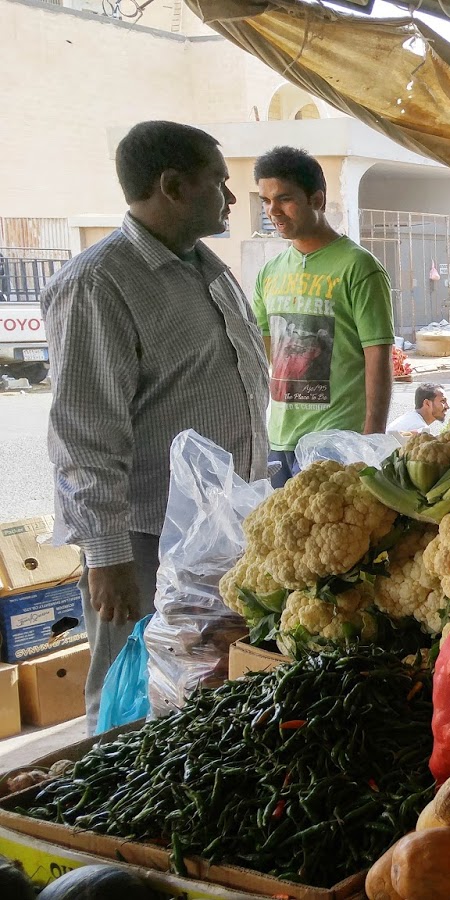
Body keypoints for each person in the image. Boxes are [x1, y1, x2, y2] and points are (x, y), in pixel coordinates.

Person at [42, 121, 271, 730]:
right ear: (172, 186)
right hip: (144, 538)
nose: (229, 198)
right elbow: (85, 433)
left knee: (198, 685)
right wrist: (107, 554)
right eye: (220, 184)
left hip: (219, 530)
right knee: (128, 694)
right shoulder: (100, 282)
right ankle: (98, 822)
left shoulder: (207, 269)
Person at [253, 146, 394, 487]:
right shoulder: (269, 272)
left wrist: (370, 441)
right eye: (265, 201)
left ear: (316, 199)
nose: (273, 211)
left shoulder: (358, 267)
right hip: (280, 441)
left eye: (284, 199)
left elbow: (378, 357)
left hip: (337, 442)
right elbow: (265, 355)